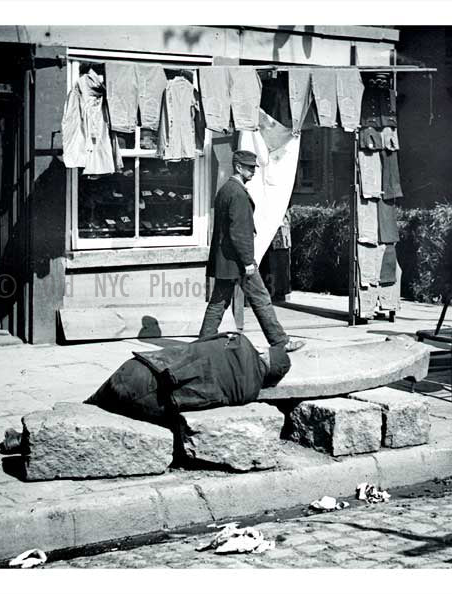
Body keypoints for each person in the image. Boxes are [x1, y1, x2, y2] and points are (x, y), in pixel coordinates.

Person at [199, 149, 304, 352]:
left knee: (219, 302)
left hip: (226, 260)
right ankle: (280, 342)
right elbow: (239, 233)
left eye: (254, 167)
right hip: (238, 260)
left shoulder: (226, 190)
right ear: (238, 167)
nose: (253, 171)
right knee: (261, 298)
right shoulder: (237, 193)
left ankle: (202, 344)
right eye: (249, 167)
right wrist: (248, 261)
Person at [83, 332, 291, 421]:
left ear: (264, 353)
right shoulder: (249, 393)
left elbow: (198, 344)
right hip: (155, 402)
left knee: (94, 402)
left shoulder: (238, 340)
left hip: (141, 368)